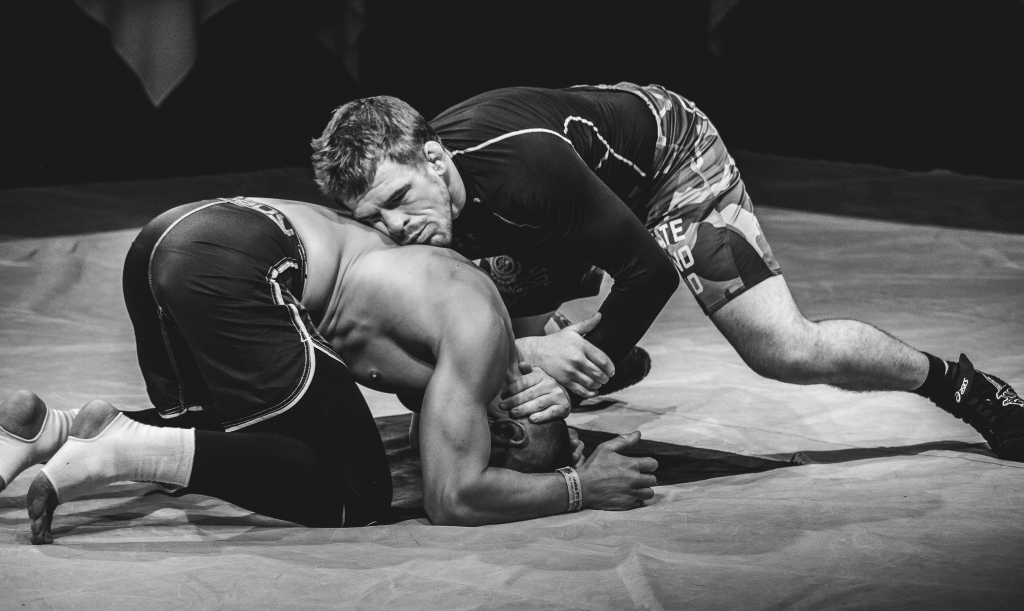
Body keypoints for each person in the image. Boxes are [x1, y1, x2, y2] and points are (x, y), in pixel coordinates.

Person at [308, 87, 1024, 461]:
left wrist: (577, 367)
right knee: (475, 304)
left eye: (401, 200)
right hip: (567, 207)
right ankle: (577, 346)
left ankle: (963, 387)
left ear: (434, 158)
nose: (397, 229)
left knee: (781, 347)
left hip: (670, 162)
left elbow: (647, 273)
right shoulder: (420, 212)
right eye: (377, 217)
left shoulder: (525, 169)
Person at [0, 196, 657, 544]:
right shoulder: (480, 339)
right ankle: (125, 445)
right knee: (356, 491)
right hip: (236, 258)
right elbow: (454, 498)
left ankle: (51, 431)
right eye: (502, 446)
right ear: (509, 426)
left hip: (174, 235)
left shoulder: (453, 322)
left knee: (230, 434)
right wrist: (582, 485)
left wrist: (578, 372)